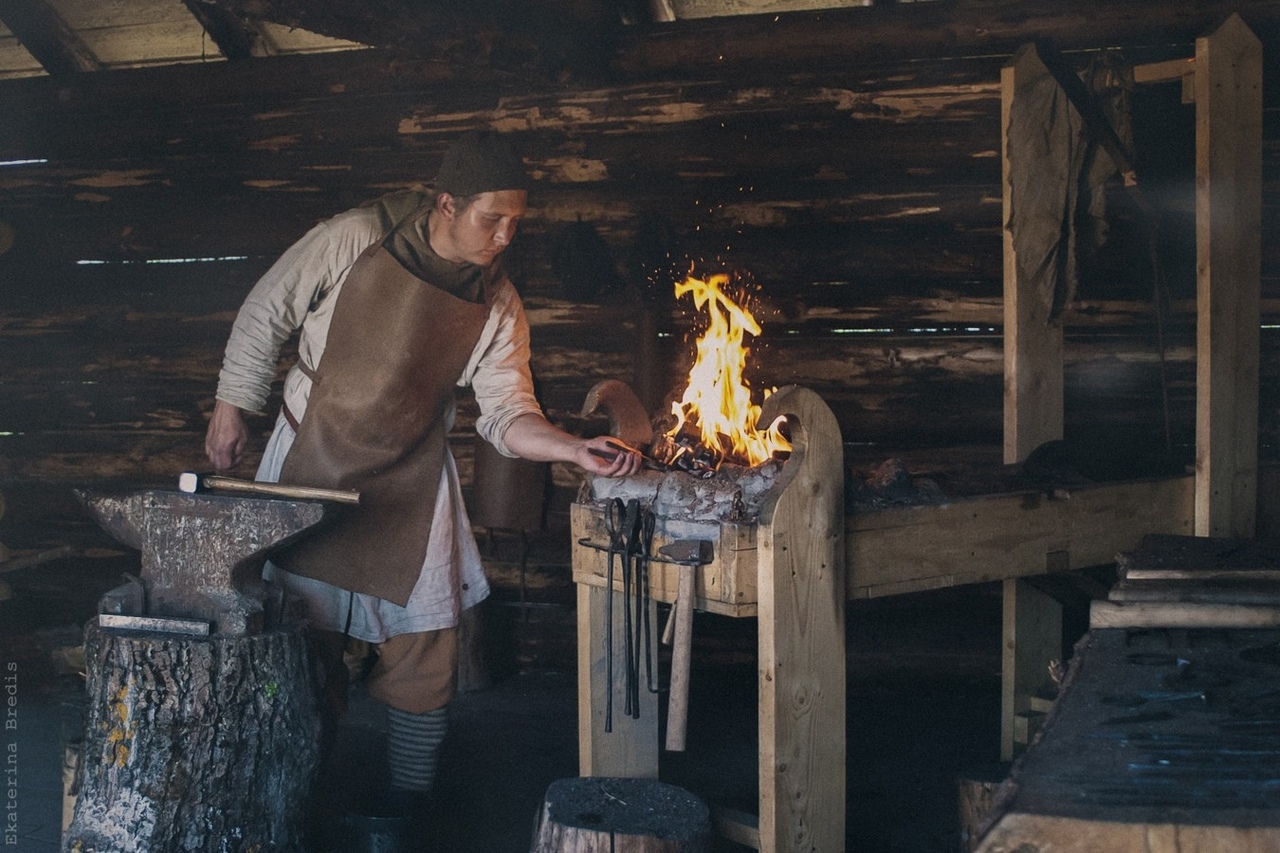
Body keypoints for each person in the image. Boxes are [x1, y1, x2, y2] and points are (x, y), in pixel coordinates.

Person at [204, 130, 639, 826]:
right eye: (490, 218)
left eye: (515, 223)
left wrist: (569, 448)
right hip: (309, 457)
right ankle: (292, 792)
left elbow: (507, 412)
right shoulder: (355, 237)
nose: (504, 236)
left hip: (411, 477)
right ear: (445, 203)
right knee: (296, 639)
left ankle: (406, 803)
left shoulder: (498, 302)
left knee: (422, 652)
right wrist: (233, 404)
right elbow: (268, 310)